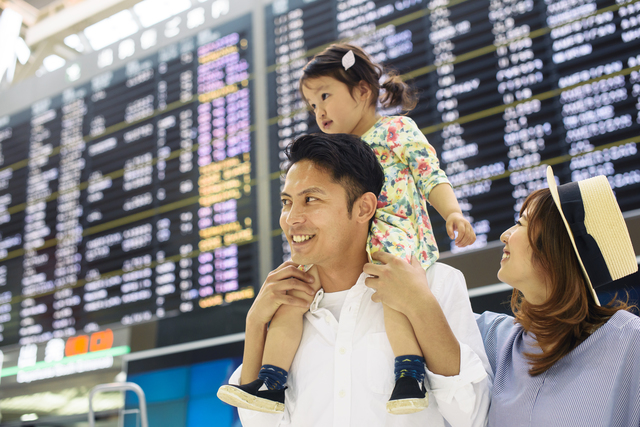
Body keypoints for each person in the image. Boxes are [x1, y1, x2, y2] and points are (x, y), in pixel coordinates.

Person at [218, 42, 478, 415]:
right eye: (312, 104)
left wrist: (452, 212)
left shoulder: (395, 132)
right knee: (289, 305)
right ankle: (270, 382)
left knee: (395, 298)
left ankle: (408, 371)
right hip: (354, 258)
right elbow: (260, 425)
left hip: (395, 244)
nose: (319, 110)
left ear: (362, 91)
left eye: (325, 96)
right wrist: (256, 322)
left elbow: (428, 173)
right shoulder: (335, 155)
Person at [476, 166, 640, 427]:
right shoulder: (494, 339)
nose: (504, 234)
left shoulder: (631, 343)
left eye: (521, 223)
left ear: (555, 246)